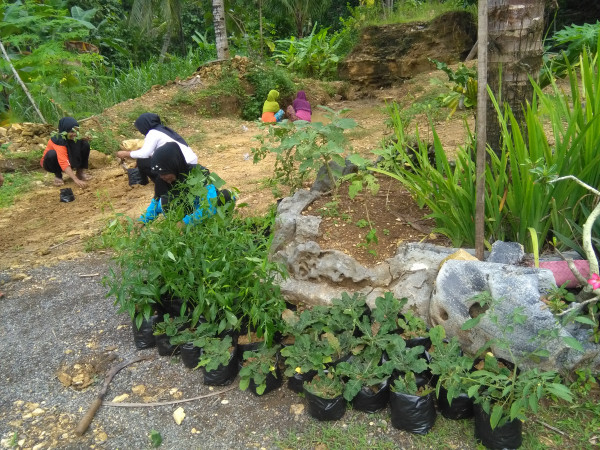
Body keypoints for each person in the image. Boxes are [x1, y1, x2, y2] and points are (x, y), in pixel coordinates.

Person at [139, 142, 233, 225]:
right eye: (159, 174)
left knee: (225, 195)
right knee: (165, 200)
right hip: (185, 216)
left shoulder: (199, 172)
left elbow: (210, 204)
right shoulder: (162, 180)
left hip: (203, 213)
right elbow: (156, 203)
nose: (162, 177)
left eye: (165, 173)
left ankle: (222, 225)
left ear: (174, 165)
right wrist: (143, 220)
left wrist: (186, 222)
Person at [116, 113, 198, 186]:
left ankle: (158, 182)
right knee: (144, 160)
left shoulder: (153, 133)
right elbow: (155, 153)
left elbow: (145, 154)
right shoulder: (163, 130)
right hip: (191, 163)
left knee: (142, 161)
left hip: (181, 166)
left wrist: (126, 154)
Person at [40, 117, 91, 188]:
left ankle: (80, 172)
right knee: (52, 154)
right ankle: (58, 176)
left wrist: (83, 139)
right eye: (71, 131)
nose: (75, 134)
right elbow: (63, 161)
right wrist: (75, 180)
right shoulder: (58, 141)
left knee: (84, 144)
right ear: (64, 131)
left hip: (67, 160)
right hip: (52, 163)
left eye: (76, 131)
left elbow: (74, 147)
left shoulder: (74, 137)